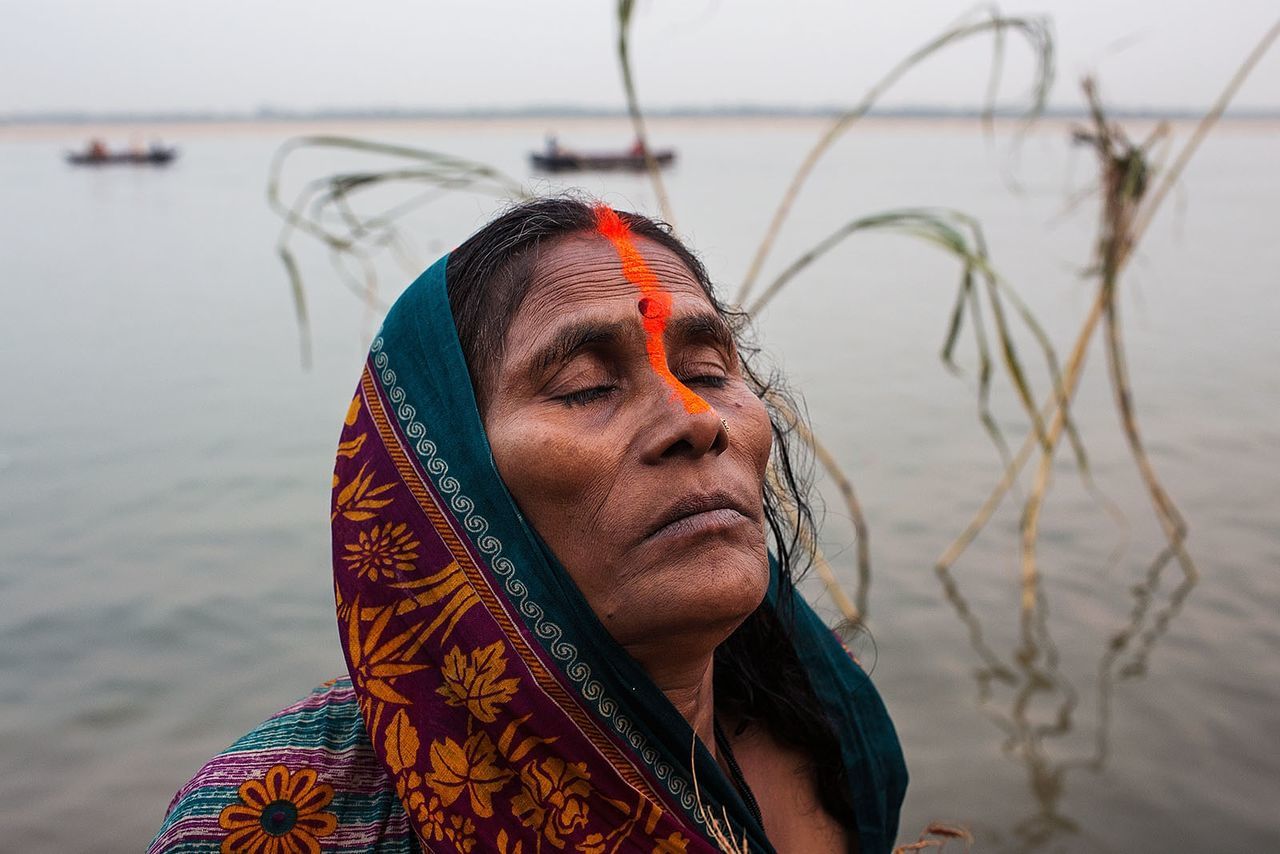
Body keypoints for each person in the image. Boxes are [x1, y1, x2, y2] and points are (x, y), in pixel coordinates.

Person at [150, 198, 907, 853]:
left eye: (710, 373)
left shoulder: (823, 720)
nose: (697, 420)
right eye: (585, 387)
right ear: (445, 481)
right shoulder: (275, 823)